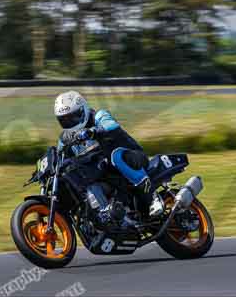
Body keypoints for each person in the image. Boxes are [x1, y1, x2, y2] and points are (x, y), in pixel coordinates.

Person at [54, 90, 164, 219]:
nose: (70, 122)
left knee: (116, 156)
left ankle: (152, 197)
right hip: (105, 171)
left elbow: (111, 126)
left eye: (73, 117)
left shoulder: (98, 116)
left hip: (131, 158)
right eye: (64, 120)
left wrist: (93, 131)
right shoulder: (65, 137)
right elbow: (60, 155)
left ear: (83, 110)